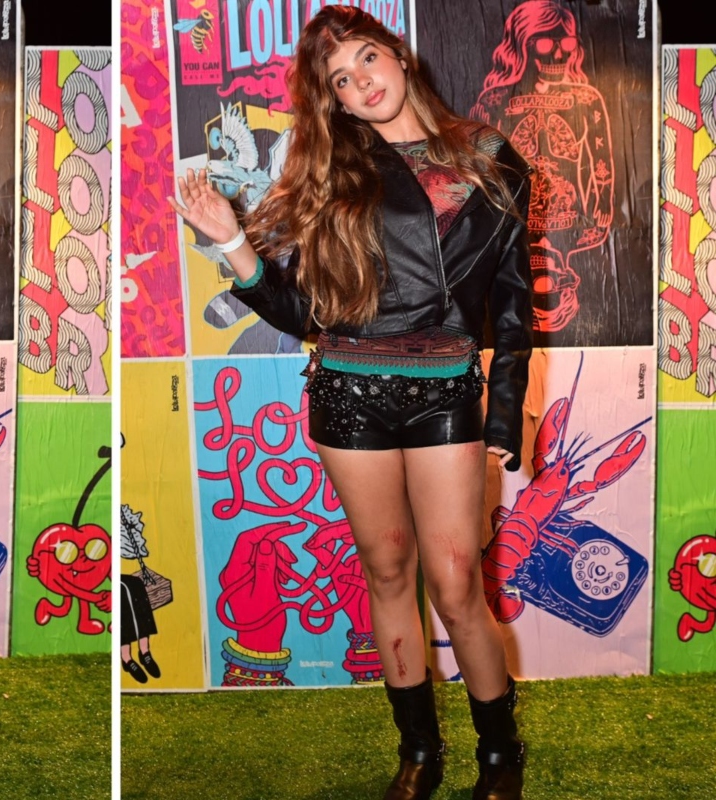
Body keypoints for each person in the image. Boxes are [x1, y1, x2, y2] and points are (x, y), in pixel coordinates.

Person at [169, 8, 532, 800]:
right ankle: (420, 752)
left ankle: (500, 754)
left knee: (456, 584)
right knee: (388, 571)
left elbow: (512, 303)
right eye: (341, 78)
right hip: (348, 392)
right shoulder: (335, 172)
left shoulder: (490, 158)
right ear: (333, 98)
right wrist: (231, 242)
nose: (361, 81)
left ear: (398, 54)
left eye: (367, 58)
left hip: (445, 390)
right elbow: (304, 314)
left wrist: (504, 410)